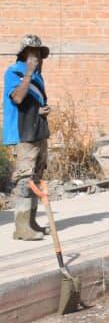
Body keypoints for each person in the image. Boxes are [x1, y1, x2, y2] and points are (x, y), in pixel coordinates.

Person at [3, 35, 53, 241]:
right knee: (25, 179)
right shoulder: (14, 72)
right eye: (33, 53)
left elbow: (31, 105)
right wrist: (28, 74)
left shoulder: (37, 77)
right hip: (23, 134)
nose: (37, 58)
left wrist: (42, 111)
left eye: (39, 54)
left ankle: (31, 223)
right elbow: (17, 98)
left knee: (35, 179)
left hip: (38, 131)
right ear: (24, 54)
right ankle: (21, 228)